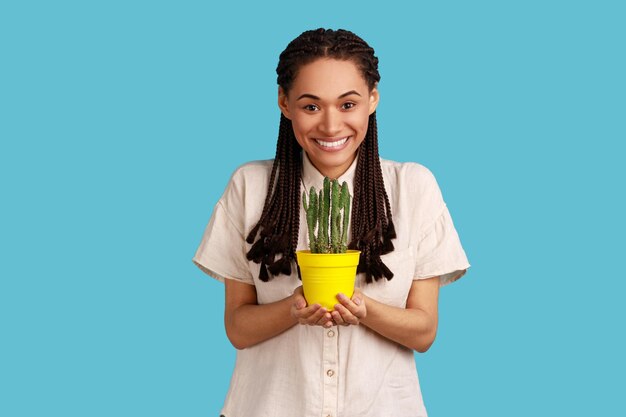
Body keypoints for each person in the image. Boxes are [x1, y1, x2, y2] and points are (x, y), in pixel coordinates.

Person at [192, 28, 470, 417]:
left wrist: (365, 311)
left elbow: (424, 332)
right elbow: (238, 328)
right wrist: (291, 308)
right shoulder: (249, 186)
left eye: (347, 104)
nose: (329, 126)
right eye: (311, 106)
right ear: (284, 104)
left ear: (372, 100)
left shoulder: (413, 187)